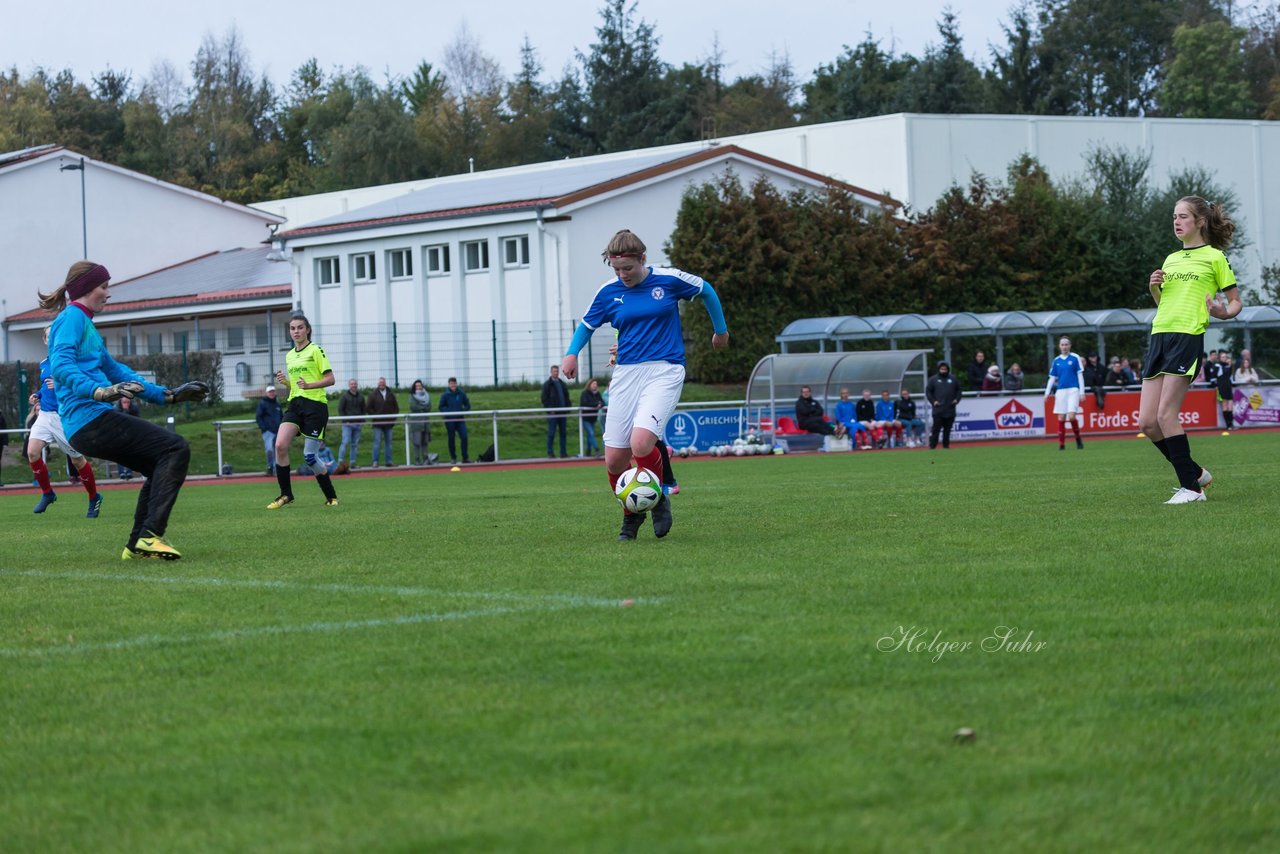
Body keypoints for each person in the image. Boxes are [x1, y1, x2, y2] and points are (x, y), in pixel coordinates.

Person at [560, 228, 728, 541]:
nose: (622, 274)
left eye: (628, 268)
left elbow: (707, 291)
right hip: (625, 375)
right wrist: (571, 355)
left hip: (664, 371)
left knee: (641, 444)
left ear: (643, 259)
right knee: (614, 459)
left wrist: (720, 331)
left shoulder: (668, 279)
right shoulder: (608, 292)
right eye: (616, 269)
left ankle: (660, 494)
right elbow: (586, 326)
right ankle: (632, 515)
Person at [41, 261, 208, 559]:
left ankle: (137, 545)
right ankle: (151, 535)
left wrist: (167, 396)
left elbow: (116, 370)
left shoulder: (85, 324)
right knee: (175, 448)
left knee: (159, 464)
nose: (108, 293)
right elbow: (62, 366)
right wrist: (98, 391)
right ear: (85, 288)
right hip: (89, 420)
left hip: (89, 421)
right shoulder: (71, 320)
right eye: (104, 286)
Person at [1139, 196, 1242, 505]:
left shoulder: (1215, 257)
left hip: (1187, 337)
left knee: (1166, 414)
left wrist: (1221, 312)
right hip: (1160, 335)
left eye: (1183, 216)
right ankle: (1195, 473)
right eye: (1174, 216)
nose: (1176, 221)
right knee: (1147, 422)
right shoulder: (1171, 259)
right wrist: (1154, 287)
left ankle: (1192, 490)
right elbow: (1165, 304)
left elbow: (1235, 302)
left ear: (1200, 222)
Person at [27, 326, 102, 517]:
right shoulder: (44, 363)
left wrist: (59, 383)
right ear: (45, 340)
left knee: (78, 460)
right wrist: (38, 395)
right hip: (45, 414)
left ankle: (94, 497)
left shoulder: (71, 360)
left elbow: (81, 383)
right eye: (48, 337)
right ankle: (48, 493)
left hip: (64, 416)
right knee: (32, 452)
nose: (52, 340)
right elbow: (47, 386)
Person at [268, 311, 339, 510]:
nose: (296, 331)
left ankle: (331, 496)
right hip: (295, 404)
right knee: (280, 445)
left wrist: (310, 386)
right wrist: (287, 383)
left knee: (310, 457)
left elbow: (330, 379)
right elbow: (298, 386)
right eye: (292, 328)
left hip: (315, 406)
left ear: (307, 330)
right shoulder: (290, 356)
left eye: (300, 327)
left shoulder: (316, 350)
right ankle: (286, 494)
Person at [1045, 336, 1086, 450]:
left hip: (1073, 389)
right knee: (1061, 417)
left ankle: (1078, 439)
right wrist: (1047, 393)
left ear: (1070, 345)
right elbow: (1052, 378)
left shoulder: (1075, 358)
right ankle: (1061, 444)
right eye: (1062, 344)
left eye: (1066, 344)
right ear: (1059, 346)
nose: (1064, 346)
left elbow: (1080, 375)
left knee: (1072, 416)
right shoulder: (1056, 360)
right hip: (1061, 391)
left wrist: (1082, 392)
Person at [926, 361, 961, 449]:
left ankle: (946, 446)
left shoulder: (953, 379)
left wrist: (956, 400)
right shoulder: (933, 379)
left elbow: (959, 391)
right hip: (938, 409)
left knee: (947, 430)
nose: (943, 371)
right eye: (942, 369)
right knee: (936, 429)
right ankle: (932, 446)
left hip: (950, 409)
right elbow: (928, 392)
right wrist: (933, 401)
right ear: (938, 369)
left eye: (945, 369)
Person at [366, 376, 398, 467]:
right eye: (380, 383)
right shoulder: (372, 395)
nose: (382, 384)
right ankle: (375, 461)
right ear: (378, 384)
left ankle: (389, 461)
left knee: (389, 443)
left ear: (385, 383)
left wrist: (393, 419)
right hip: (377, 424)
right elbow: (368, 408)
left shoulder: (391, 394)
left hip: (389, 424)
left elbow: (396, 408)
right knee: (377, 443)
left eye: (383, 382)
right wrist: (376, 416)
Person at [439, 377, 471, 463]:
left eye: (454, 383)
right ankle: (453, 457)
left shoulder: (461, 393)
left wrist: (462, 411)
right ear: (449, 384)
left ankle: (465, 457)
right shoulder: (445, 395)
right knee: (451, 438)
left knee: (464, 437)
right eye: (451, 383)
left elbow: (467, 405)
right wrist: (449, 412)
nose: (453, 385)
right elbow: (441, 407)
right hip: (450, 420)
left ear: (456, 384)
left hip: (460, 419)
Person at [541, 364, 571, 458]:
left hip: (562, 413)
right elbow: (544, 398)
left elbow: (566, 396)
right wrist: (550, 409)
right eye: (554, 371)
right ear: (551, 372)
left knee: (563, 433)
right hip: (553, 414)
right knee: (551, 433)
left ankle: (563, 452)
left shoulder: (562, 383)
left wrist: (567, 407)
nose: (556, 373)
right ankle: (550, 452)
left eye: (557, 371)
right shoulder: (547, 385)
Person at [337, 378, 366, 469]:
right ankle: (340, 462)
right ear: (349, 385)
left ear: (357, 385)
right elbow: (340, 410)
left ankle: (352, 463)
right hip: (347, 425)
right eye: (352, 384)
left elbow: (364, 410)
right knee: (345, 442)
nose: (354, 385)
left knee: (354, 444)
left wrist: (362, 421)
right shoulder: (344, 397)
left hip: (358, 424)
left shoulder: (361, 397)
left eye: (355, 384)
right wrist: (346, 421)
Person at [255, 385, 283, 475]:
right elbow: (258, 417)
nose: (272, 393)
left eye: (273, 391)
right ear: (267, 393)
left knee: (277, 450)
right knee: (269, 449)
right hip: (268, 431)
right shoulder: (262, 403)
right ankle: (270, 466)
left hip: (278, 431)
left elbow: (281, 417)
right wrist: (264, 428)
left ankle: (276, 468)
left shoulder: (277, 404)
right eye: (270, 392)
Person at [408, 379, 435, 465]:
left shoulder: (427, 396)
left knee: (425, 442)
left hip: (425, 423)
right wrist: (423, 408)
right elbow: (413, 407)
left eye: (419, 386)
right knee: (416, 442)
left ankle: (425, 459)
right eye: (416, 386)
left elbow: (429, 407)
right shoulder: (412, 396)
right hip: (416, 424)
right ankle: (417, 459)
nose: (418, 387)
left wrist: (422, 408)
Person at [114, 394, 141, 479]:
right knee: (119, 454)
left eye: (128, 402)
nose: (126, 404)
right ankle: (121, 472)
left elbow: (137, 421)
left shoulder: (134, 408)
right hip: (119, 433)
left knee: (130, 453)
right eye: (124, 402)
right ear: (121, 402)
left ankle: (129, 472)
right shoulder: (116, 409)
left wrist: (127, 411)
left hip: (131, 432)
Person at [580, 378, 604, 455]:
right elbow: (585, 403)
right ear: (589, 385)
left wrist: (599, 404)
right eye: (593, 384)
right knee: (591, 433)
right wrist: (596, 404)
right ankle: (596, 449)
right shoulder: (585, 393)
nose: (595, 385)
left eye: (596, 384)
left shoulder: (597, 394)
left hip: (593, 417)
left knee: (590, 434)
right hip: (586, 417)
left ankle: (588, 451)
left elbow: (602, 402)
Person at [1215, 350, 1235, 430]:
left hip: (1228, 386)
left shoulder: (1228, 366)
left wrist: (1229, 366)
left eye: (1225, 357)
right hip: (1222, 387)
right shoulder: (1218, 366)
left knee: (1230, 405)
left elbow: (1229, 375)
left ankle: (1231, 424)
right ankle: (1228, 425)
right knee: (1225, 405)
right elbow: (1214, 377)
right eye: (1223, 357)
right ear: (1220, 358)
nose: (1225, 358)